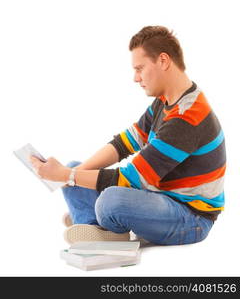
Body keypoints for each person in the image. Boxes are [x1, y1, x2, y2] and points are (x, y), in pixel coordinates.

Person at [30, 26, 226, 245]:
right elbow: (125, 143)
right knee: (78, 166)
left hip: (191, 218)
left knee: (109, 201)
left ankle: (90, 221)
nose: (135, 78)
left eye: (140, 68)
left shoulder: (187, 117)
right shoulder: (166, 101)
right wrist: (73, 172)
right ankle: (93, 227)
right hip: (160, 197)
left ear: (163, 61)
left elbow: (131, 180)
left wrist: (67, 176)